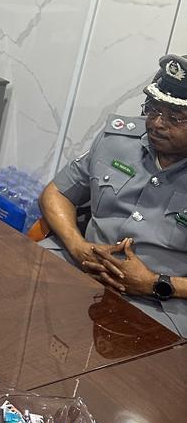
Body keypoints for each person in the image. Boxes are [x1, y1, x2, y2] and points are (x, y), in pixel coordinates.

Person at [39, 53, 187, 335]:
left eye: (175, 118)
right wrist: (77, 245)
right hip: (78, 266)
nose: (157, 123)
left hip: (159, 304)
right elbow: (57, 192)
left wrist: (156, 283)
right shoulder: (117, 139)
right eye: (153, 109)